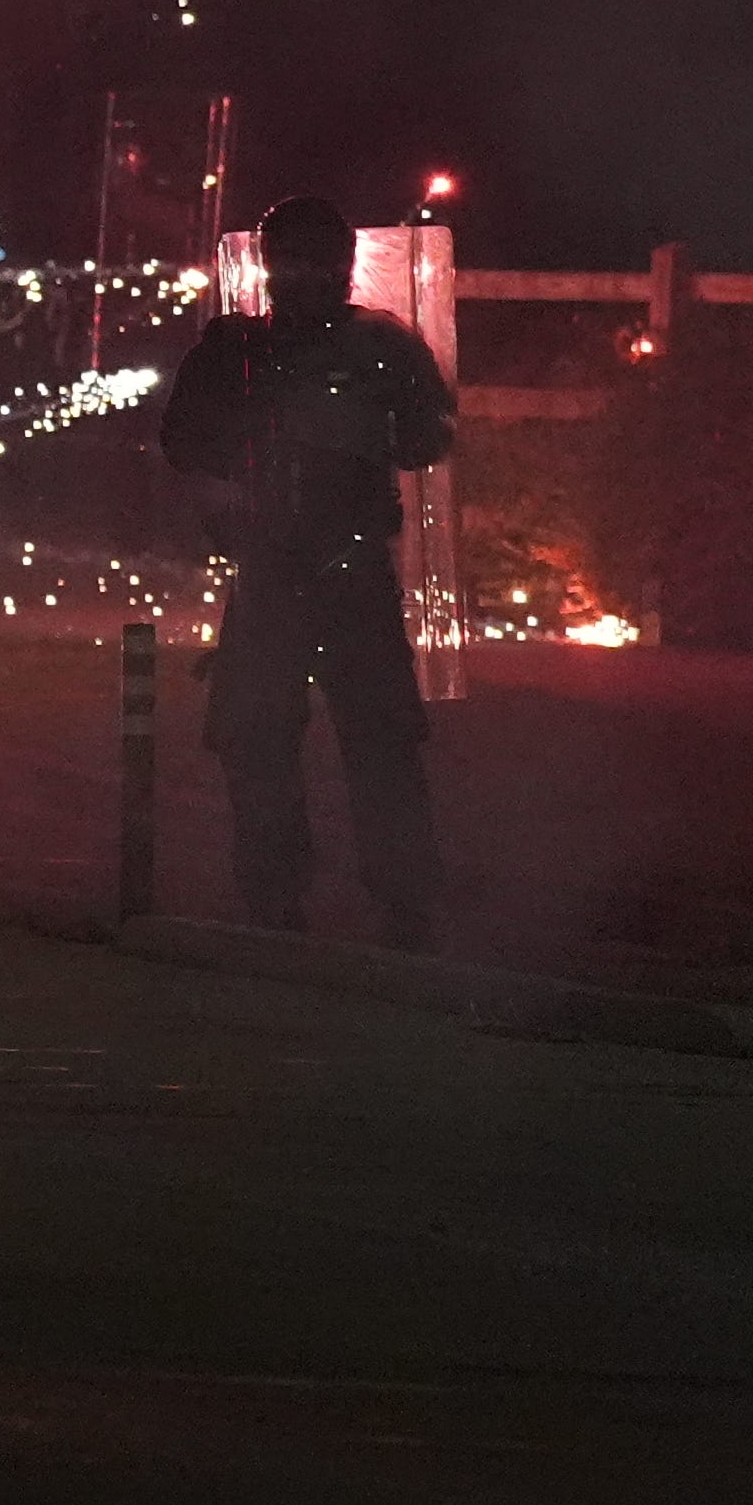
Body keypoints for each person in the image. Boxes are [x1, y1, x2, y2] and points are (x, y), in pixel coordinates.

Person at [158, 194, 454, 948]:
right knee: (287, 738)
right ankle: (323, 899)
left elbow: (424, 437)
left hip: (323, 569)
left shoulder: (358, 348)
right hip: (292, 570)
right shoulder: (248, 351)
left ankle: (347, 899)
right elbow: (187, 443)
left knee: (352, 738)